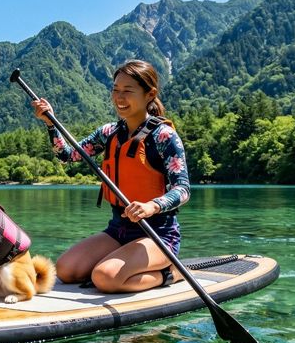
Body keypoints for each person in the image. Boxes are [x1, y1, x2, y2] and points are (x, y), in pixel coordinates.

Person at [31, 60, 190, 293]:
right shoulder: (109, 133)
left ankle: (169, 273)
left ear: (150, 94)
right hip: (118, 230)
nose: (119, 97)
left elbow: (183, 189)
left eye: (128, 91)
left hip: (158, 234)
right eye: (115, 90)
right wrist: (50, 124)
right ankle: (121, 263)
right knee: (65, 270)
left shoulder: (164, 136)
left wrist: (152, 206)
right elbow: (67, 156)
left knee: (104, 278)